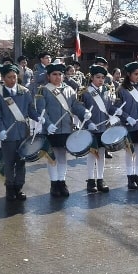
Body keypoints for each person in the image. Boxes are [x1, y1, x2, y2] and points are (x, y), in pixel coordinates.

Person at [35, 63, 91, 198]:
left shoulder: (69, 90)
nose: (57, 77)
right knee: (52, 157)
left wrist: (84, 112)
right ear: (48, 76)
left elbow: (75, 105)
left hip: (66, 128)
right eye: (54, 74)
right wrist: (47, 124)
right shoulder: (43, 90)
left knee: (62, 157)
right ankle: (54, 183)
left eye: (60, 74)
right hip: (51, 129)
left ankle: (62, 181)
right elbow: (41, 110)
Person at [0, 64, 43, 201]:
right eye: (9, 77)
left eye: (14, 77)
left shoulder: (25, 92)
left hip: (22, 132)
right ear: (3, 78)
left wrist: (38, 117)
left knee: (21, 161)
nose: (12, 80)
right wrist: (1, 130)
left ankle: (19, 187)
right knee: (9, 162)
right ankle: (9, 188)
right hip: (7, 134)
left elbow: (31, 110)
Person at [81, 65, 118, 193]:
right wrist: (88, 122)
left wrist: (116, 111)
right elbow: (81, 112)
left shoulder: (107, 90)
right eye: (98, 77)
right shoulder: (85, 92)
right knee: (92, 154)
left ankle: (100, 179)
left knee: (101, 155)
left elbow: (109, 108)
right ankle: (91, 180)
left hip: (104, 127)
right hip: (91, 128)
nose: (101, 80)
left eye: (102, 78)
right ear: (92, 78)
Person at [116, 61, 138, 190]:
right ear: (129, 74)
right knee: (130, 152)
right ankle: (130, 177)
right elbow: (117, 107)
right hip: (128, 125)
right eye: (136, 74)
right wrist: (126, 117)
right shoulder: (121, 89)